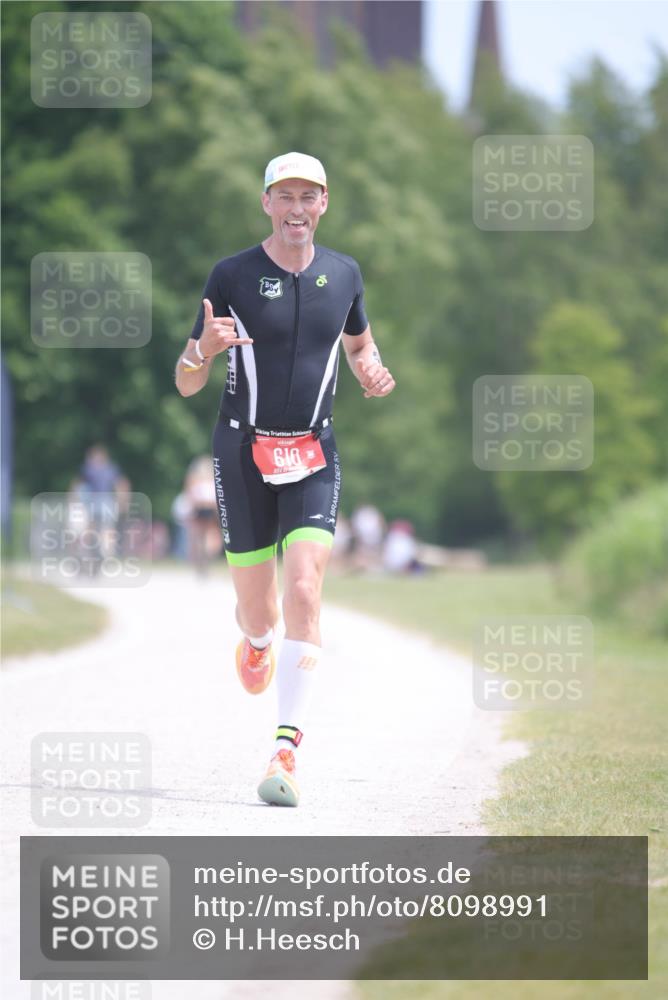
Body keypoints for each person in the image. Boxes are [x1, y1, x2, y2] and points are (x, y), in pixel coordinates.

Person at [175, 152, 395, 807]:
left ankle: (285, 750)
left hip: (313, 454)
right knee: (259, 609)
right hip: (241, 453)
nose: (298, 209)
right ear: (267, 202)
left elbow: (359, 345)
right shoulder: (233, 276)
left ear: (324, 203)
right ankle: (258, 640)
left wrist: (371, 370)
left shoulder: (344, 275)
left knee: (304, 588)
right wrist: (202, 352)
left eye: (310, 197)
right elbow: (186, 382)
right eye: (285, 197)